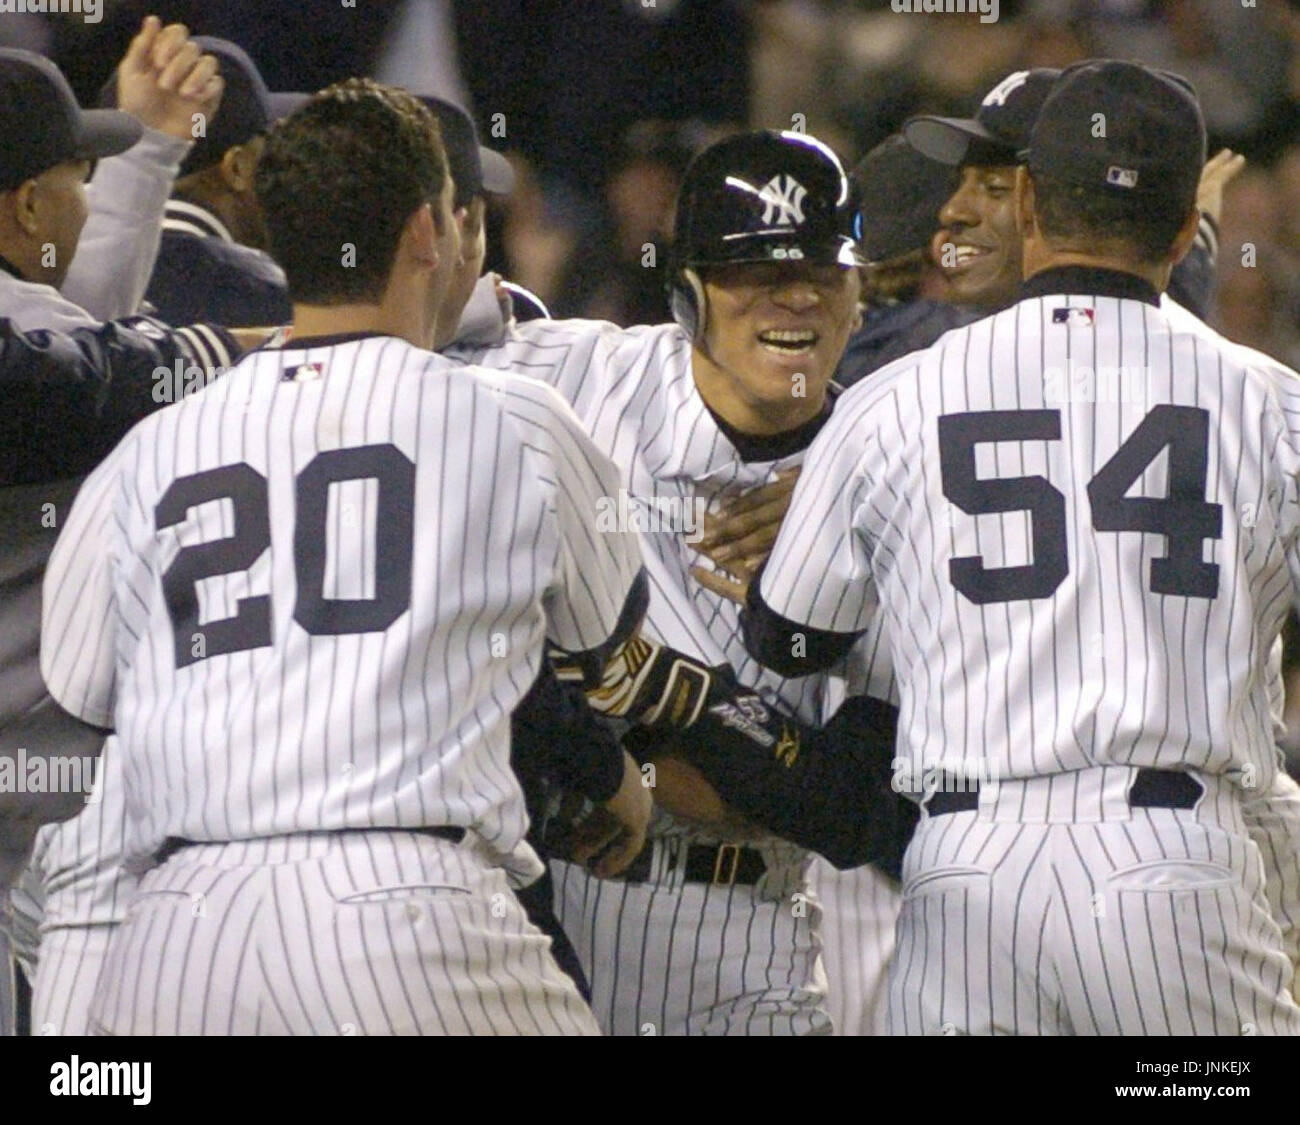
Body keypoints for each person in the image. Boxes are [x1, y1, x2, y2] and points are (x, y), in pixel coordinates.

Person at [38, 79, 655, 1036]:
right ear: (424, 231)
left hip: (176, 930)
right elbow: (608, 652)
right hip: (407, 906)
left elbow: (81, 696)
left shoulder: (151, 445)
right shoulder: (516, 417)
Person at [741, 60, 1300, 1035]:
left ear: (1030, 202)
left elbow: (788, 639)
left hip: (965, 875)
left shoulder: (893, 396)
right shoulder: (1268, 401)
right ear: (1182, 231)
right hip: (1171, 871)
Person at [448, 129, 904, 1035]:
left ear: (860, 292)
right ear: (689, 291)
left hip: (746, 932)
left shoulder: (890, 473)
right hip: (536, 903)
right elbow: (355, 337)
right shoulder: (565, 372)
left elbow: (856, 808)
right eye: (754, 272)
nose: (797, 297)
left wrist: (646, 735)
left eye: (823, 269)